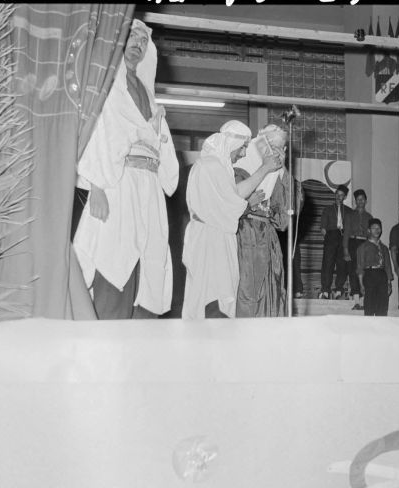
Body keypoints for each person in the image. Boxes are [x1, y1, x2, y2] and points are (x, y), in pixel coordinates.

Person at [74, 20, 179, 319]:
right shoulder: (108, 86)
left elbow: (158, 146)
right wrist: (96, 186)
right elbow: (97, 130)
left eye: (143, 40)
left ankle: (140, 351)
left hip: (149, 187)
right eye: (131, 36)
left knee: (150, 263)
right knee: (113, 257)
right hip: (117, 182)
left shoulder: (147, 91)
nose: (138, 43)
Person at [182, 120, 282, 319]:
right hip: (208, 241)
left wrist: (265, 170)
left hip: (219, 238)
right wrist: (263, 170)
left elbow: (236, 194)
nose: (243, 153)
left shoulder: (219, 166)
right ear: (231, 142)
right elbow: (233, 203)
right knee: (211, 299)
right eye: (243, 147)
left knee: (222, 297)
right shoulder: (210, 165)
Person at [234, 124, 302, 318]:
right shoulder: (238, 167)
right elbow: (226, 203)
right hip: (244, 236)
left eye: (281, 147)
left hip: (268, 240)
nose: (275, 151)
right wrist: (247, 204)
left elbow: (285, 216)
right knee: (248, 293)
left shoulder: (279, 174)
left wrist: (282, 170)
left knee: (273, 291)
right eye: (272, 145)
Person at [319, 184, 352, 299]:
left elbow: (350, 229)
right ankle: (325, 290)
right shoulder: (327, 210)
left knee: (342, 264)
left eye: (342, 195)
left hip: (344, 238)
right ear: (335, 195)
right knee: (327, 263)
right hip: (331, 236)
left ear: (345, 197)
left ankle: (339, 289)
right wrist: (329, 238)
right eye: (337, 194)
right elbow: (323, 228)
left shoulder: (349, 211)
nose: (339, 197)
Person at [343, 188, 373, 310]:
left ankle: (363, 300)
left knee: (363, 271)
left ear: (365, 201)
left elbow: (371, 235)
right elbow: (346, 233)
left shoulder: (369, 217)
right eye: (358, 199)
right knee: (353, 271)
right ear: (355, 201)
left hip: (364, 244)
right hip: (353, 242)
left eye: (362, 199)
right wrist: (345, 249)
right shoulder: (350, 215)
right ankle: (356, 301)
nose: (360, 201)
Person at [357, 218, 393, 316]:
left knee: (382, 305)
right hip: (369, 275)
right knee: (369, 304)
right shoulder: (363, 247)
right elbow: (360, 266)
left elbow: (388, 266)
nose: (377, 230)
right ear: (369, 230)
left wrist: (389, 282)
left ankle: (380, 328)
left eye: (379, 228)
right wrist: (361, 284)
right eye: (374, 228)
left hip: (382, 276)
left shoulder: (384, 248)